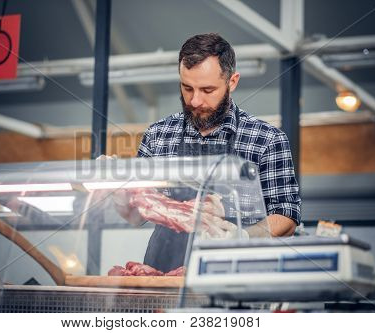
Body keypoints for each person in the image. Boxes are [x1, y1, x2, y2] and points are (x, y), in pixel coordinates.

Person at [113, 33, 301, 273]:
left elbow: (286, 216)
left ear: (232, 82)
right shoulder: (158, 135)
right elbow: (137, 216)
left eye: (208, 89)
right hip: (164, 280)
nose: (195, 100)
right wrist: (119, 196)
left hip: (236, 281)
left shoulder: (266, 139)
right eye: (187, 88)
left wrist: (242, 236)